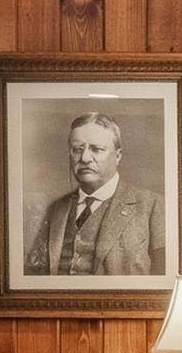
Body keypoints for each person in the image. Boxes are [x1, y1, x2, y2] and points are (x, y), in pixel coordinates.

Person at [24, 111, 165, 276]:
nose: (84, 158)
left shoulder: (152, 206)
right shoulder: (56, 209)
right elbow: (33, 274)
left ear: (118, 156)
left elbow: (166, 278)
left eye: (97, 149)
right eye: (77, 149)